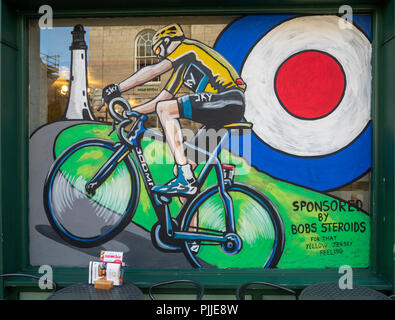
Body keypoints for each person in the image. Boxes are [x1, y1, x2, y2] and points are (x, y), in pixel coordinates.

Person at [102, 23, 246, 198]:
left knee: (166, 110)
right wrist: (132, 111)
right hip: (219, 114)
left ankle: (184, 177)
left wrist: (117, 88)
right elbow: (160, 99)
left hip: (228, 98)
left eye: (158, 51)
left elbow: (153, 71)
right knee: (181, 174)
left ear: (167, 41)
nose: (160, 57)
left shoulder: (188, 47)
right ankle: (187, 222)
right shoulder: (183, 67)